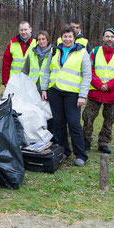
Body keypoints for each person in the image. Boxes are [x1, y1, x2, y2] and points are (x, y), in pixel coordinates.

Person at [41, 24, 91, 167]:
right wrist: (44, 89)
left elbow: (87, 75)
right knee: (58, 123)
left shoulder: (82, 53)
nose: (67, 39)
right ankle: (64, 150)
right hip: (55, 91)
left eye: (70, 36)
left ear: (74, 38)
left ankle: (81, 154)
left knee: (74, 123)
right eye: (65, 36)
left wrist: (83, 95)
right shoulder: (55, 51)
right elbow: (46, 71)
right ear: (61, 37)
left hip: (73, 94)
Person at [82, 28, 114, 154]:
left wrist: (109, 85)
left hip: (112, 93)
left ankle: (103, 142)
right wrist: (98, 84)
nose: (109, 39)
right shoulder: (95, 51)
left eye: (112, 37)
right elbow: (88, 69)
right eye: (107, 36)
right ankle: (86, 140)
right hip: (95, 92)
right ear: (103, 38)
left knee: (110, 119)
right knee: (88, 117)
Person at [2, 21, 36, 85]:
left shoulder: (36, 43)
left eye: (25, 29)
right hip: (14, 80)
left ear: (30, 29)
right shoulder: (12, 43)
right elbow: (6, 63)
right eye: (21, 30)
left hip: (30, 81)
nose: (23, 32)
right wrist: (5, 81)